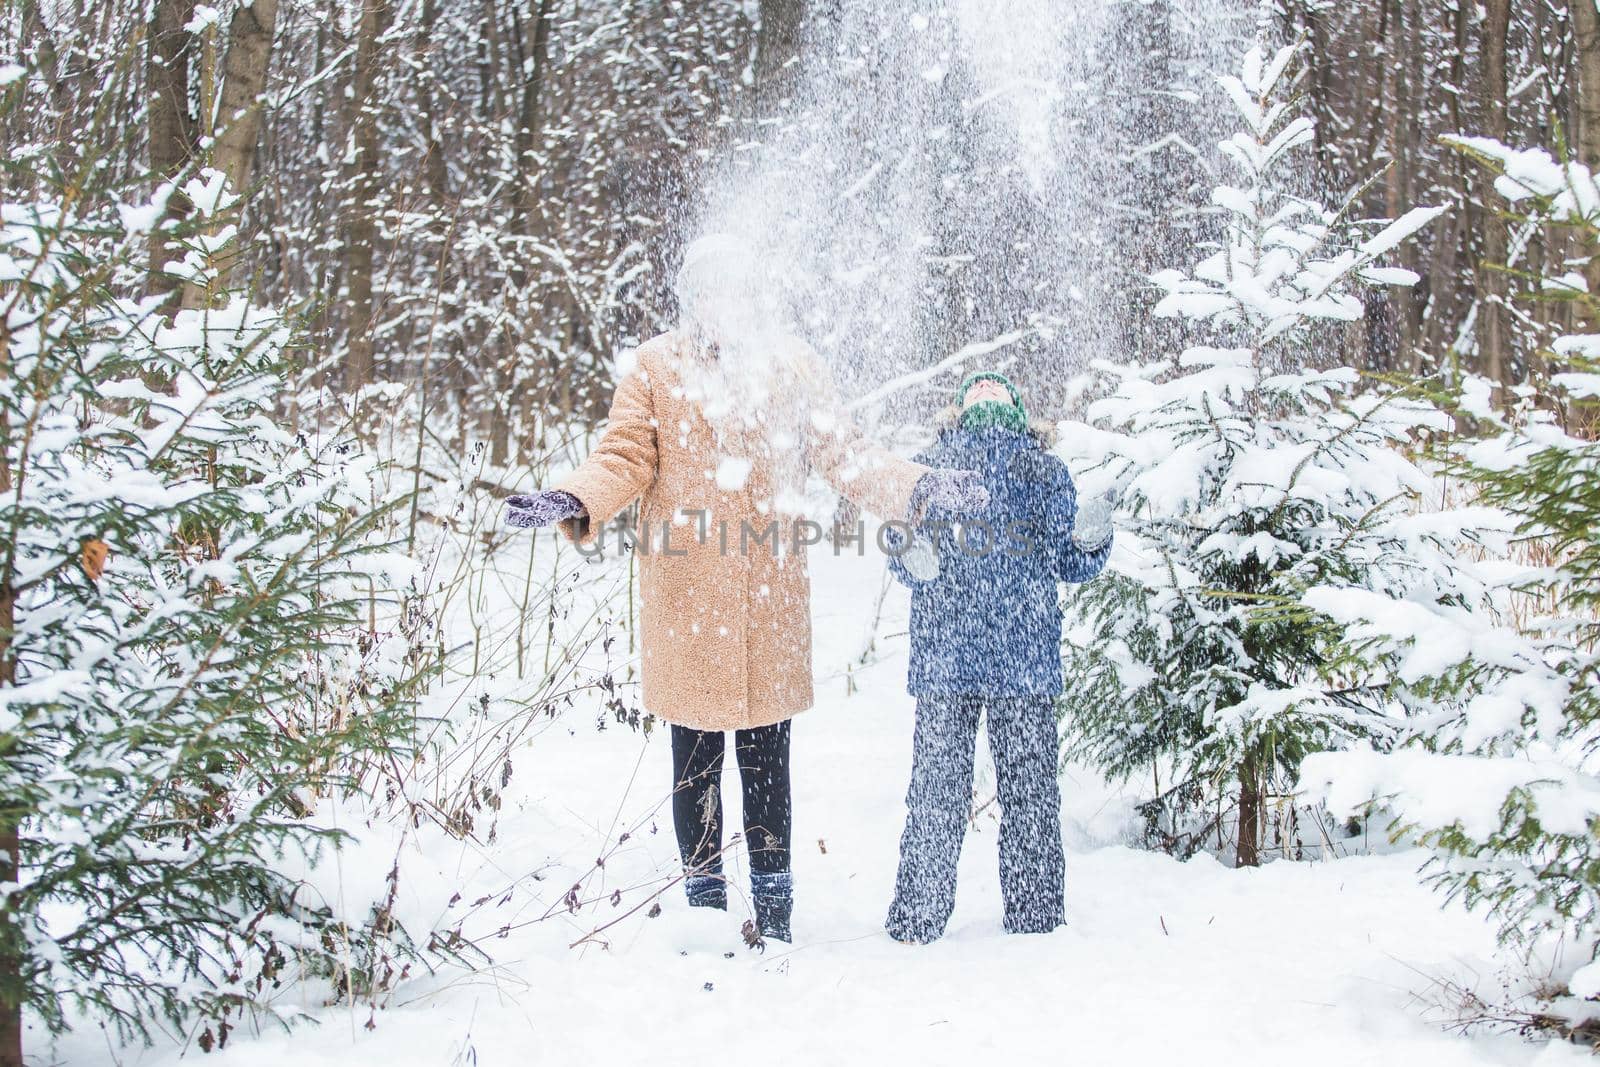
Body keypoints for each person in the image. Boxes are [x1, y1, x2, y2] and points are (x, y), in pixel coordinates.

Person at [503, 234, 989, 943]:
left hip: (768, 605)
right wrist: (573, 497)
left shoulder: (792, 368)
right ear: (692, 297)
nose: (721, 302)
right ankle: (703, 917)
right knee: (694, 764)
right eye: (709, 288)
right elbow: (624, 455)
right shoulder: (656, 369)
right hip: (688, 603)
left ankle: (777, 919)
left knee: (768, 766)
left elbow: (845, 455)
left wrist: (917, 486)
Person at [883, 370, 1113, 944]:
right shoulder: (958, 467)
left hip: (976, 657)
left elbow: (1069, 563)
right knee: (992, 792)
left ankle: (953, 918)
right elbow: (904, 551)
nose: (987, 393)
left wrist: (1091, 537)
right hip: (995, 659)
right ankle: (989, 918)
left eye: (996, 389)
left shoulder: (1013, 470)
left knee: (976, 791)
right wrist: (904, 548)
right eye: (978, 389)